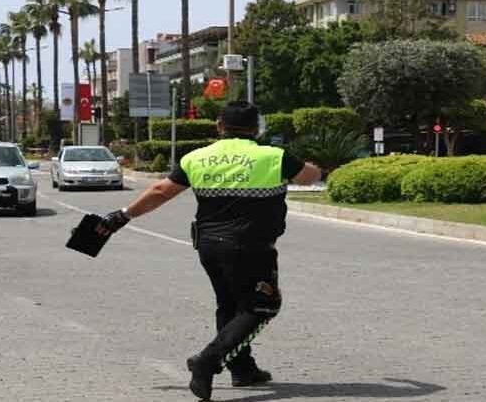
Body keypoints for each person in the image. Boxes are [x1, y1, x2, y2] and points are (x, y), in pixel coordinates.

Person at [96, 101, 322, 400]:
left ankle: (242, 369)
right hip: (251, 247)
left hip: (208, 247)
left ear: (219, 126)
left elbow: (160, 191)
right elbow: (310, 176)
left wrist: (123, 215)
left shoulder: (198, 158)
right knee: (262, 306)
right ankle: (208, 361)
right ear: (257, 128)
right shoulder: (272, 156)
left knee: (229, 305)